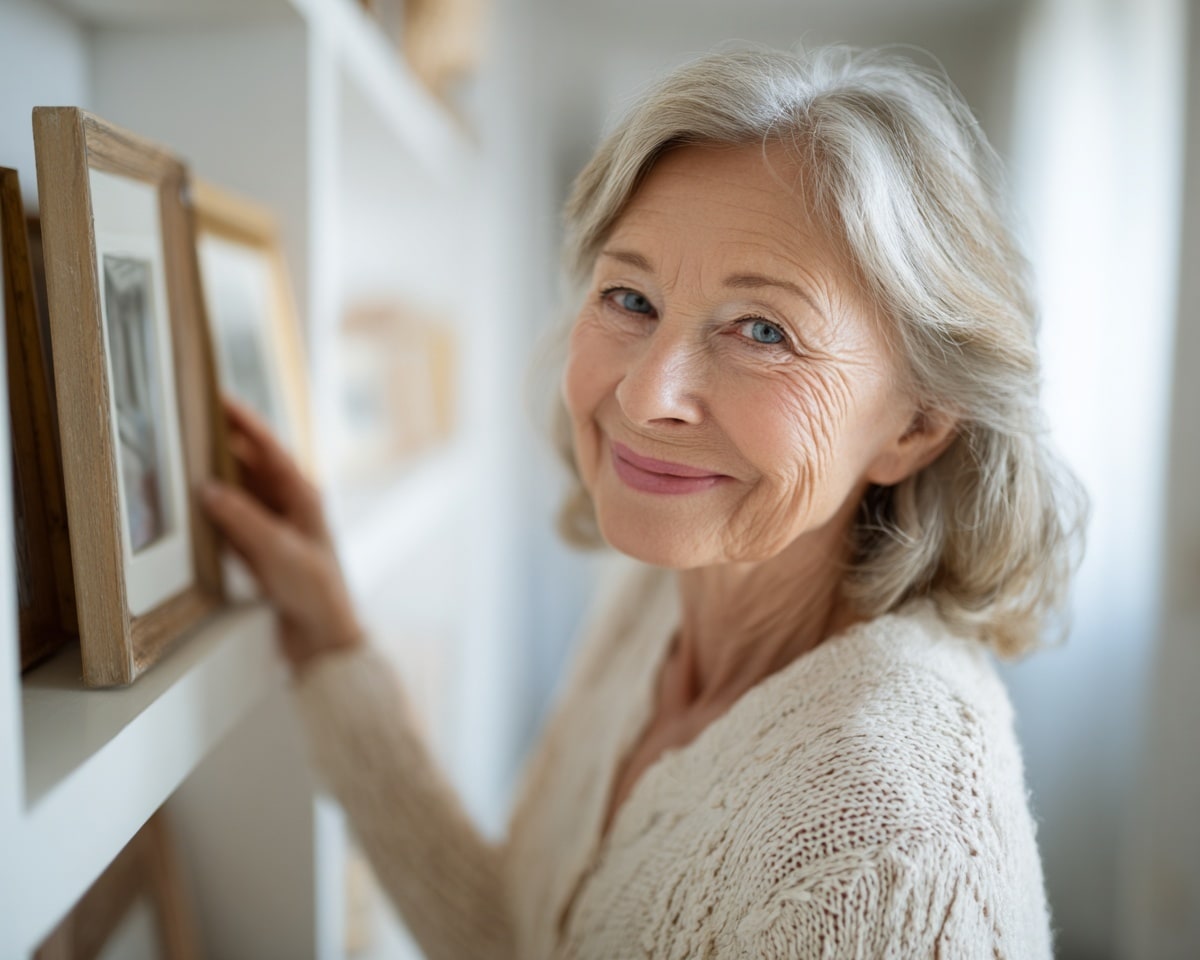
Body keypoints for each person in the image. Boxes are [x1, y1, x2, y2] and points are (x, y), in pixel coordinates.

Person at [203, 43, 1085, 959]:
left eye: (763, 330)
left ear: (915, 426)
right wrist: (331, 640)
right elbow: (515, 936)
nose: (644, 394)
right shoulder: (660, 594)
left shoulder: (892, 856)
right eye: (629, 296)